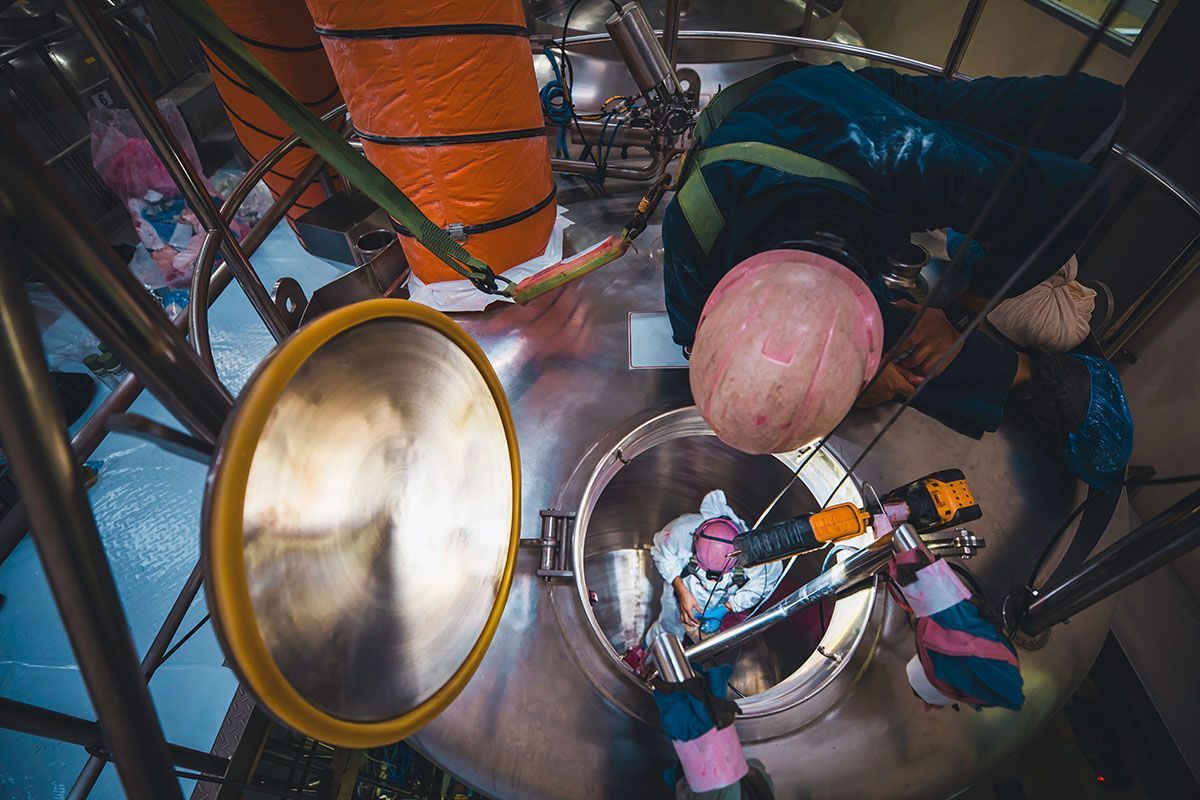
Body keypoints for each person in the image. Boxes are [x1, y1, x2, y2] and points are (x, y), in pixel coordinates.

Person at [663, 62, 1133, 487]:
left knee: (1095, 108)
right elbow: (694, 341)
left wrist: (959, 318)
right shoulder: (692, 229)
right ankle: (1004, 234)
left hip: (862, 118)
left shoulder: (919, 161)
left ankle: (1046, 377)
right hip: (773, 130)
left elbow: (1081, 199)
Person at [640, 491, 783, 651]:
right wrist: (681, 591)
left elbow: (763, 584)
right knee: (669, 626)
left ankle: (695, 658)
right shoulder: (681, 530)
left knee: (706, 642)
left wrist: (727, 607)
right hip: (682, 589)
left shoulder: (756, 551)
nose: (712, 580)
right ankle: (645, 652)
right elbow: (662, 553)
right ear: (695, 540)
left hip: (722, 596)